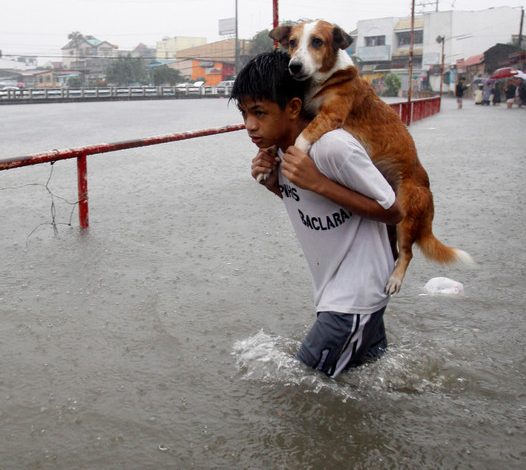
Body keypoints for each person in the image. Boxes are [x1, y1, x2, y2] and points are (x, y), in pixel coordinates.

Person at [231, 51, 402, 378]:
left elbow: (393, 209)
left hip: (353, 296)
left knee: (303, 391)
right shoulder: (282, 150)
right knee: (370, 385)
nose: (250, 125)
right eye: (244, 113)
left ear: (294, 107)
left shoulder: (332, 146)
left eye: (259, 112)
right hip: (341, 292)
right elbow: (311, 203)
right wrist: (272, 183)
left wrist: (319, 182)